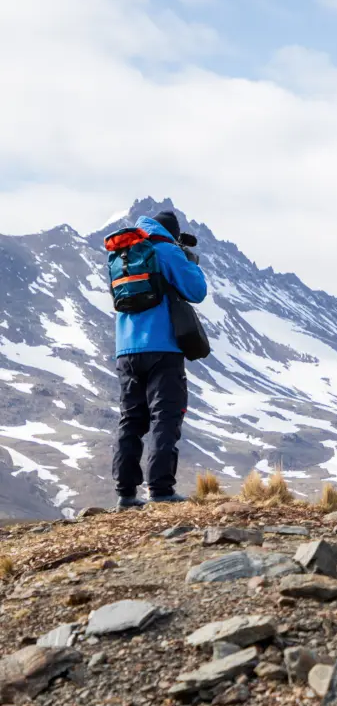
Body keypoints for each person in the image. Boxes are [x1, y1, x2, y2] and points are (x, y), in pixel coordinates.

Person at [112, 211, 207, 509]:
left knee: (130, 420)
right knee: (165, 417)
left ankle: (126, 495)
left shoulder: (123, 253)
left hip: (126, 349)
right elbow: (197, 290)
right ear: (172, 232)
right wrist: (186, 259)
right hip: (162, 348)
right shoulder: (166, 250)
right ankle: (161, 489)